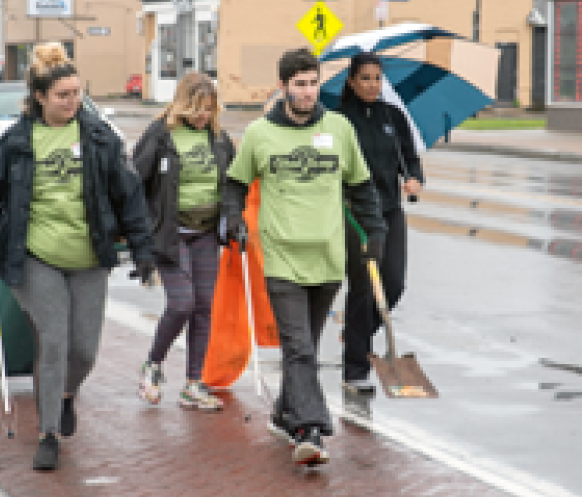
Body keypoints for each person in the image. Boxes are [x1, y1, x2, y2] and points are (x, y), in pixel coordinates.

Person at [0, 42, 155, 471]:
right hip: (36, 256)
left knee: (83, 352)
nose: (72, 102)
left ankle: (65, 395)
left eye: (77, 93)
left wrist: (143, 248)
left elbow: (131, 195)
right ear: (40, 98)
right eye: (62, 95)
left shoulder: (101, 138)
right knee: (54, 342)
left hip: (89, 257)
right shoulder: (14, 143)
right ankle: (47, 433)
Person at [222, 48, 386, 466]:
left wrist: (376, 233)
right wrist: (232, 219)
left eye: (313, 83)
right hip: (281, 257)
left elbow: (362, 187)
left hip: (328, 256)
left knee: (306, 346)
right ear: (283, 87)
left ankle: (283, 413)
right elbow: (235, 185)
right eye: (300, 84)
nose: (308, 91)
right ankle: (310, 430)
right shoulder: (261, 133)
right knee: (299, 348)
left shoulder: (339, 128)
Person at [132, 72, 235, 411]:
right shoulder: (161, 134)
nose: (202, 116)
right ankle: (153, 365)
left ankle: (194, 383)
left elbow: (233, 182)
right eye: (196, 108)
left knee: (204, 306)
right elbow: (135, 180)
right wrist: (140, 231)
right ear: (181, 104)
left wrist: (233, 220)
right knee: (182, 303)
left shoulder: (219, 139)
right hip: (170, 234)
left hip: (206, 233)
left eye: (208, 109)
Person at [337, 52, 424, 393]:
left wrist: (415, 179)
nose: (373, 85)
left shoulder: (394, 116)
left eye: (377, 78)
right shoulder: (341, 120)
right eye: (365, 78)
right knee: (362, 289)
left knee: (394, 283)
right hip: (356, 215)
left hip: (390, 210)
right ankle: (355, 371)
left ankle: (355, 335)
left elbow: (411, 159)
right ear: (351, 81)